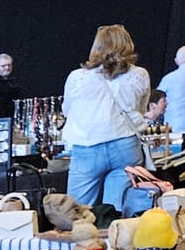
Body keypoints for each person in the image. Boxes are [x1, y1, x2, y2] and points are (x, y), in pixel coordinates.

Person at [62, 24, 151, 210]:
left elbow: (68, 111)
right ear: (128, 45)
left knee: (77, 212)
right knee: (117, 209)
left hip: (87, 147)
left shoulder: (77, 77)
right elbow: (141, 110)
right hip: (125, 145)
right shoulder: (140, 75)